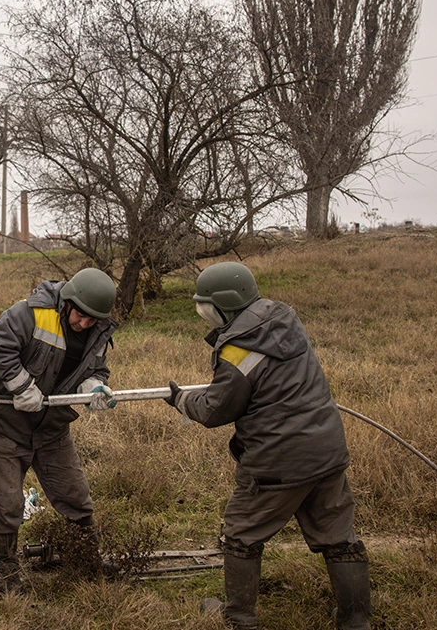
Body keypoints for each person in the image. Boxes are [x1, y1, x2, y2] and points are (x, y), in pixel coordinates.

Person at [166, 261, 370, 630]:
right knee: (338, 536)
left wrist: (181, 400)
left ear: (225, 305)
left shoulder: (237, 350)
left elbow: (215, 409)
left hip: (278, 462)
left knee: (242, 531)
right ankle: (355, 620)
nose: (204, 315)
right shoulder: (283, 319)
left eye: (206, 307)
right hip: (325, 449)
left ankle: (238, 618)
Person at [0, 268, 120, 593]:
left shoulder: (98, 329)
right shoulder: (30, 313)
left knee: (76, 497)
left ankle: (87, 562)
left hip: (53, 428)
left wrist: (95, 386)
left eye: (91, 321)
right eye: (80, 316)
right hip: (6, 425)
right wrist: (22, 386)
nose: (83, 324)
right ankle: (7, 575)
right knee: (8, 505)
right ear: (68, 302)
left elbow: (97, 366)